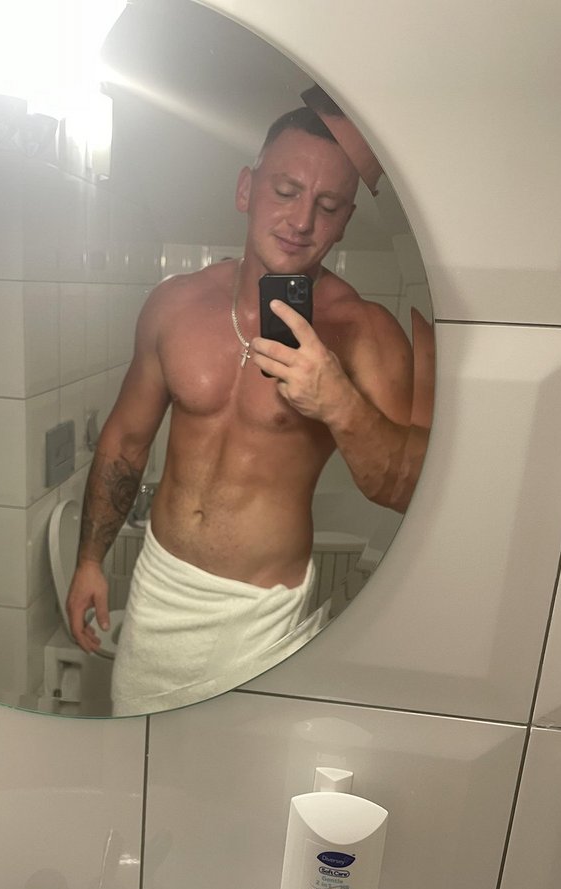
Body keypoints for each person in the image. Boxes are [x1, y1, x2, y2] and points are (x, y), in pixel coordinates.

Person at [67, 106, 429, 714]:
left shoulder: (364, 331)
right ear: (246, 190)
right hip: (159, 592)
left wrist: (338, 401)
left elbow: (410, 489)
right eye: (286, 192)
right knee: (142, 761)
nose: (302, 221)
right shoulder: (175, 304)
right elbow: (125, 441)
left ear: (344, 222)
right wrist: (89, 561)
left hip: (262, 620)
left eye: (327, 206)